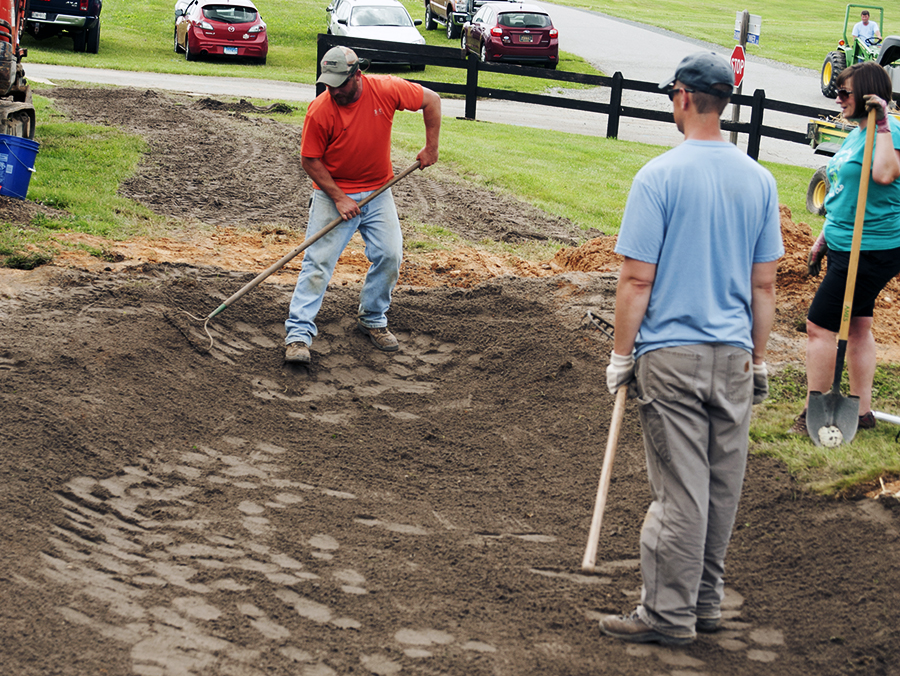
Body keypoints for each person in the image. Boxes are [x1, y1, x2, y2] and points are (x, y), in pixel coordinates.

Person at [601, 51, 783, 646]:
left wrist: (621, 355)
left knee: (680, 492)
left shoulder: (658, 176)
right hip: (732, 358)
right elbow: (763, 285)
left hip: (671, 358)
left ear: (682, 97)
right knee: (719, 489)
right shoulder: (760, 179)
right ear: (723, 101)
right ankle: (703, 603)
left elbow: (636, 280)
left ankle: (666, 615)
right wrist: (757, 361)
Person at [284, 46, 441, 363]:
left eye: (340, 83)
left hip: (378, 190)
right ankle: (298, 336)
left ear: (357, 74)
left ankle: (372, 318)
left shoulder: (385, 89)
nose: (334, 90)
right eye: (329, 84)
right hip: (333, 193)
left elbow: (432, 100)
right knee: (318, 264)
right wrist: (339, 197)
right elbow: (309, 160)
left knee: (390, 254)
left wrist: (431, 147)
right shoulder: (320, 110)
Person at [790, 61, 900, 436]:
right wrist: (824, 236)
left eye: (844, 93)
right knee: (857, 326)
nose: (837, 99)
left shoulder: (890, 131)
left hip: (869, 249)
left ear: (869, 95)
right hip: (843, 243)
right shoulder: (856, 132)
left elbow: (885, 174)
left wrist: (883, 122)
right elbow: (844, 190)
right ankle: (863, 412)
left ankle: (812, 411)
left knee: (819, 326)